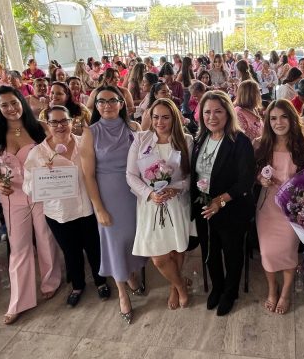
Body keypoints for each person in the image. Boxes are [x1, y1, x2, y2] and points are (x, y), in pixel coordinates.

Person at [0, 86, 62, 325]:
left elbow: (56, 157)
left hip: (41, 193)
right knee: (19, 248)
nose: (11, 108)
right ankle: (19, 300)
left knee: (46, 239)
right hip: (12, 196)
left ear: (22, 103)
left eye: (14, 103)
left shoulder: (38, 128)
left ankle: (51, 281)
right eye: (4, 105)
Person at [23, 106, 110, 307]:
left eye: (64, 121)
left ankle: (100, 281)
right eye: (54, 122)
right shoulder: (38, 153)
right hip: (58, 212)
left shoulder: (84, 144)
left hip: (87, 208)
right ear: (47, 124)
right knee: (71, 252)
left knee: (94, 248)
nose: (60, 126)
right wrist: (43, 178)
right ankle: (78, 285)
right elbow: (28, 187)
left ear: (72, 121)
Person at [80, 86, 147, 324]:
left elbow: (146, 162)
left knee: (134, 238)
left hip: (134, 192)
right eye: (101, 101)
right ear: (96, 106)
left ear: (121, 103)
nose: (107, 105)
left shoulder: (135, 128)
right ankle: (122, 292)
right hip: (109, 194)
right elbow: (87, 175)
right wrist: (98, 207)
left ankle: (131, 274)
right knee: (114, 243)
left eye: (112, 100)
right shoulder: (90, 132)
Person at [191, 91, 256, 317]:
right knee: (210, 251)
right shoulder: (200, 139)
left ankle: (230, 292)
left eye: (218, 111)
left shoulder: (240, 141)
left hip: (231, 207)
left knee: (231, 252)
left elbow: (246, 179)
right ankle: (217, 287)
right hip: (204, 207)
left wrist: (221, 200)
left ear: (228, 113)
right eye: (207, 112)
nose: (212, 117)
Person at [126, 99, 193, 310]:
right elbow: (130, 175)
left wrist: (178, 187)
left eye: (165, 117)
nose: (160, 122)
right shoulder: (140, 139)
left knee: (176, 248)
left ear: (174, 118)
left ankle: (174, 288)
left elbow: (192, 175)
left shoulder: (186, 140)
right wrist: (149, 193)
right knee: (159, 257)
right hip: (150, 205)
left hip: (176, 203)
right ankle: (181, 285)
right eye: (155, 117)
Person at [254, 99, 304, 315]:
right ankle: (272, 288)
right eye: (273, 118)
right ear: (268, 121)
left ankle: (285, 292)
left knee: (287, 251)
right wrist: (260, 179)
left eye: (284, 116)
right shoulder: (260, 144)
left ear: (292, 118)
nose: (279, 122)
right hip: (267, 206)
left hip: (292, 209)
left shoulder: (303, 146)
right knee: (267, 252)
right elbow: (252, 174)